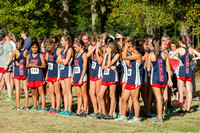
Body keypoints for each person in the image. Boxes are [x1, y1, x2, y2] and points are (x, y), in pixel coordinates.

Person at [115, 39, 145, 123]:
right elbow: (123, 58)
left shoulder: (138, 55)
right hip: (130, 79)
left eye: (130, 46)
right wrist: (125, 46)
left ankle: (137, 117)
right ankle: (124, 116)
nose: (129, 48)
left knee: (134, 99)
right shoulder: (132, 55)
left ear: (134, 47)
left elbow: (124, 57)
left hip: (136, 80)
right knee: (124, 98)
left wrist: (125, 46)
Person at [170, 35, 200, 113]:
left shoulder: (179, 49)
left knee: (180, 90)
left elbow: (171, 56)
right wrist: (194, 58)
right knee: (189, 91)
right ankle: (188, 109)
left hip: (182, 72)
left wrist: (179, 60)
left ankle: (181, 109)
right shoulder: (191, 49)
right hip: (189, 72)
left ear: (180, 41)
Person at [147, 38, 172, 123]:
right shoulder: (165, 54)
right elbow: (168, 67)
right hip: (163, 78)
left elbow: (148, 68)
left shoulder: (150, 55)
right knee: (160, 97)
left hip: (155, 79)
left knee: (158, 98)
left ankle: (160, 117)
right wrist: (170, 79)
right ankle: (160, 115)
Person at [97, 41, 120, 119]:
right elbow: (102, 66)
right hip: (105, 76)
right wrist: (109, 67)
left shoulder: (116, 55)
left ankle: (110, 114)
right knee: (100, 95)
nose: (107, 49)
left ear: (112, 49)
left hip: (112, 76)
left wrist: (110, 55)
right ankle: (104, 113)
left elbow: (109, 64)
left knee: (112, 95)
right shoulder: (106, 55)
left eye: (108, 48)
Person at [5, 38, 29, 110]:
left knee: (17, 89)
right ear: (24, 44)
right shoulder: (26, 51)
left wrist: (9, 64)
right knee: (25, 89)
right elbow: (27, 60)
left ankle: (18, 106)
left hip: (17, 71)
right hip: (24, 70)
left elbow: (10, 59)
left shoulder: (15, 51)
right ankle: (26, 106)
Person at [26, 42, 46, 112]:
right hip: (31, 77)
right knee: (34, 93)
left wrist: (35, 66)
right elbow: (27, 66)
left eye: (36, 48)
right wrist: (30, 65)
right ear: (31, 48)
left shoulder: (40, 56)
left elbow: (44, 66)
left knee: (41, 93)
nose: (34, 49)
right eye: (33, 48)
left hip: (39, 76)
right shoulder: (29, 56)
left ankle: (43, 107)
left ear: (38, 48)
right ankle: (35, 106)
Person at [56, 35, 74, 115]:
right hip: (62, 71)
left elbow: (66, 62)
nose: (61, 42)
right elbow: (57, 60)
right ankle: (65, 108)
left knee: (68, 91)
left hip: (68, 72)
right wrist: (61, 60)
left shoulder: (70, 50)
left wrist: (62, 60)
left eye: (62, 41)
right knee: (64, 91)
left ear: (67, 42)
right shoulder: (63, 50)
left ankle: (69, 109)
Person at [87, 35, 103, 117]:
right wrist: (94, 48)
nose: (91, 45)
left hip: (98, 72)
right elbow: (87, 55)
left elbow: (100, 61)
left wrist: (97, 50)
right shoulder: (92, 48)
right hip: (92, 72)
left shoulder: (100, 49)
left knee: (98, 93)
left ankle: (100, 111)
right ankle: (96, 110)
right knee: (91, 93)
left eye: (93, 43)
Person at [71, 38, 88, 117]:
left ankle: (85, 111)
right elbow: (75, 66)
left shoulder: (83, 54)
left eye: (76, 47)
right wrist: (72, 77)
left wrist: (81, 78)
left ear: (80, 46)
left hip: (82, 76)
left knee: (84, 94)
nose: (75, 49)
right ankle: (78, 110)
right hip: (76, 76)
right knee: (78, 94)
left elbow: (84, 67)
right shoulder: (76, 54)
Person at [45, 39, 61, 114]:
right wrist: (47, 75)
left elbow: (60, 61)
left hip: (56, 74)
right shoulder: (48, 52)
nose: (47, 49)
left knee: (57, 91)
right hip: (50, 73)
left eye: (48, 47)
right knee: (51, 91)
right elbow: (48, 64)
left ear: (52, 45)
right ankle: (53, 107)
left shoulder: (57, 50)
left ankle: (57, 107)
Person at [0, 33, 13, 101]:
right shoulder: (0, 44)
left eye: (1, 40)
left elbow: (10, 56)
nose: (0, 41)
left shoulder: (8, 44)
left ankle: (10, 97)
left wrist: (7, 65)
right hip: (0, 64)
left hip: (6, 65)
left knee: (7, 81)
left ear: (4, 38)